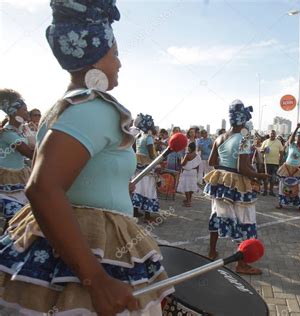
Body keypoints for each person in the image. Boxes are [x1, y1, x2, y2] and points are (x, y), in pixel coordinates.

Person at [0, 2, 173, 314]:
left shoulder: (63, 107)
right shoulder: (96, 108)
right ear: (94, 56)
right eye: (115, 53)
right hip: (92, 245)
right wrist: (96, 278)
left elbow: (68, 175)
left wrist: (117, 185)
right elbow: (42, 187)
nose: (119, 63)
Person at [204, 100, 268, 275]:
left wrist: (225, 166)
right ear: (244, 121)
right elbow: (243, 168)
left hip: (221, 182)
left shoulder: (219, 137)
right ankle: (242, 264)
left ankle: (211, 252)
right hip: (238, 185)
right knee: (245, 220)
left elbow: (212, 162)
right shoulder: (245, 139)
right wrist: (261, 176)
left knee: (218, 215)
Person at [0, 89, 34, 223]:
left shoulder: (21, 130)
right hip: (6, 183)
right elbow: (29, 153)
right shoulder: (8, 133)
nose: (27, 112)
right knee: (16, 220)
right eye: (24, 110)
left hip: (17, 179)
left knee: (19, 219)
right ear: (15, 113)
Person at [131, 113, 161, 221]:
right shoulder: (148, 138)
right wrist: (158, 160)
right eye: (152, 124)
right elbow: (151, 154)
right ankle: (147, 215)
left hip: (137, 165)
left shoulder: (138, 136)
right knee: (148, 188)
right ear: (148, 125)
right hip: (147, 166)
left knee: (138, 188)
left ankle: (135, 212)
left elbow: (134, 150)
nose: (153, 126)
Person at [276, 123, 300, 210]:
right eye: (298, 138)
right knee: (283, 184)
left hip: (297, 169)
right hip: (287, 167)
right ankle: (281, 203)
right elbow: (292, 138)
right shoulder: (292, 145)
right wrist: (297, 128)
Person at [177, 142, 201, 207]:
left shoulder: (187, 155)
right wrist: (197, 173)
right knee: (191, 186)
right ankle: (189, 199)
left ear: (189, 148)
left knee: (186, 186)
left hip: (187, 172)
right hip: (194, 172)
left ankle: (188, 202)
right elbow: (198, 165)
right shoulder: (197, 155)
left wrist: (181, 159)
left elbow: (183, 164)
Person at [261, 129, 284, 196]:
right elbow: (261, 151)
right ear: (269, 134)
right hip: (266, 162)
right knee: (266, 177)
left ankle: (271, 191)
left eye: (274, 133)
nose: (272, 135)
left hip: (275, 163)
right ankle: (265, 190)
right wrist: (264, 150)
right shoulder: (265, 142)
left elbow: (281, 151)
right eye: (271, 133)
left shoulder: (278, 142)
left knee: (273, 178)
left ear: (275, 135)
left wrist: (280, 161)